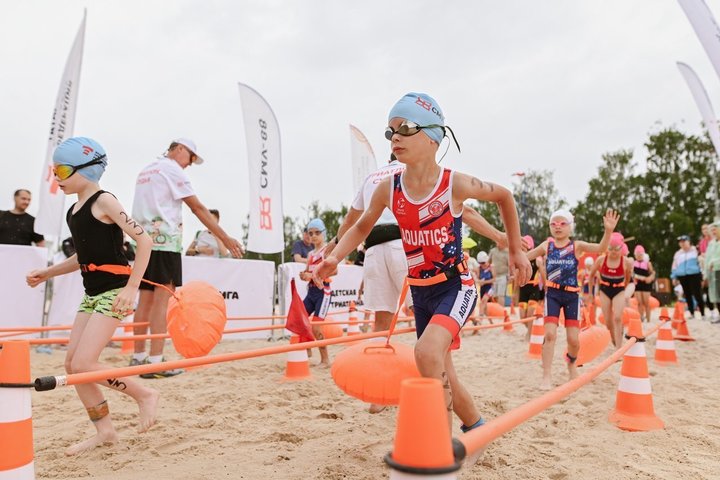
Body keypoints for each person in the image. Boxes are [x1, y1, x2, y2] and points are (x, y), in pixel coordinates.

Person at [314, 92, 531, 433]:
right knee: (442, 369)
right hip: (421, 291)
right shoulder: (388, 188)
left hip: (455, 286)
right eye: (391, 131)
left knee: (426, 354)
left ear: (433, 137)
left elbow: (504, 196)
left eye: (406, 128)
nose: (395, 137)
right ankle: (476, 428)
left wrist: (515, 250)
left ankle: (440, 445)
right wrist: (334, 257)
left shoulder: (454, 183)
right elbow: (361, 226)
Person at [26, 137, 158, 456]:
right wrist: (48, 272)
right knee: (72, 365)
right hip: (92, 293)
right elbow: (82, 257)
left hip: (115, 290)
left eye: (62, 170)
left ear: (86, 169)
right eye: (54, 170)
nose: (56, 177)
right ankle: (105, 431)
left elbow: (145, 242)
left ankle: (144, 394)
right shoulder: (74, 210)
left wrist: (131, 288)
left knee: (85, 363)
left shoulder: (105, 200)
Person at [130, 138, 244, 376]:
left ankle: (138, 357)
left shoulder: (147, 169)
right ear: (179, 149)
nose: (190, 163)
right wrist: (224, 237)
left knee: (145, 299)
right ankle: (156, 361)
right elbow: (197, 208)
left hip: (142, 240)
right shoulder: (171, 169)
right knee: (162, 300)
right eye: (191, 157)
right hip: (165, 241)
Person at [526, 208, 618, 390]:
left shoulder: (577, 246)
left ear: (570, 227)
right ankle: (546, 375)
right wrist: (514, 250)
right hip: (552, 294)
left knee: (574, 340)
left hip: (571, 296)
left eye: (562, 223)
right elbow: (525, 256)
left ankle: (571, 363)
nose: (558, 227)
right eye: (554, 223)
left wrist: (608, 231)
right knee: (550, 335)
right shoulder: (546, 246)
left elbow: (601, 248)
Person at [299, 218, 335, 367]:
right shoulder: (310, 254)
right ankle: (307, 348)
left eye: (317, 232)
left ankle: (325, 359)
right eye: (310, 233)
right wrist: (304, 275)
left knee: (316, 327)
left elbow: (335, 270)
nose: (313, 236)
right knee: (300, 318)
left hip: (323, 292)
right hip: (311, 291)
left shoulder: (327, 251)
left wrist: (315, 275)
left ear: (323, 233)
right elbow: (308, 272)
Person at [587, 232, 634, 348]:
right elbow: (591, 276)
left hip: (619, 290)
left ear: (621, 248)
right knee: (608, 321)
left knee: (617, 317)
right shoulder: (601, 260)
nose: (613, 252)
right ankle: (614, 338)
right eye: (610, 248)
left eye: (616, 249)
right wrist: (590, 293)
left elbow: (628, 278)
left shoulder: (626, 262)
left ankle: (618, 347)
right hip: (605, 290)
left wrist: (623, 288)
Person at [671, 234, 705, 319]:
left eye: (684, 241)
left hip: (694, 274)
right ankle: (691, 312)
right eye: (680, 242)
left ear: (689, 242)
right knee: (687, 294)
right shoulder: (678, 254)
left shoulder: (695, 250)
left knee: (697, 294)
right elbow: (674, 266)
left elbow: (701, 263)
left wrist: (703, 275)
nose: (682, 243)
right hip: (682, 275)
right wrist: (674, 277)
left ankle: (703, 313)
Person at [517, 235, 543, 339]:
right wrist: (514, 293)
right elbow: (517, 277)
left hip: (534, 288)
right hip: (523, 289)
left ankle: (529, 335)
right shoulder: (520, 260)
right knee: (522, 318)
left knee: (530, 315)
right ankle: (533, 331)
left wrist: (545, 289)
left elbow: (543, 275)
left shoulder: (537, 260)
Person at [632, 245, 655, 323]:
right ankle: (641, 317)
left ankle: (648, 319)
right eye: (637, 254)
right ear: (635, 255)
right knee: (639, 302)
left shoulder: (647, 263)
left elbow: (652, 273)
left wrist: (650, 278)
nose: (639, 256)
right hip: (637, 284)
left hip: (646, 285)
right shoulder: (633, 263)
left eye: (640, 254)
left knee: (646, 302)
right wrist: (639, 278)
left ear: (643, 255)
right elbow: (631, 274)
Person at [703, 222, 720, 323]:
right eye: (712, 230)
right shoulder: (711, 244)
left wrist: (715, 262)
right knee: (715, 295)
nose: (713, 232)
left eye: (715, 229)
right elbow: (707, 259)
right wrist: (705, 275)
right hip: (713, 272)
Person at [489, 242, 510, 306]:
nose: (498, 244)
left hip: (503, 275)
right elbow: (488, 261)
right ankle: (495, 309)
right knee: (494, 295)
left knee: (501, 294)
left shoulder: (507, 252)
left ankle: (501, 310)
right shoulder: (492, 251)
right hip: (494, 276)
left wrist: (509, 276)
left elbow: (510, 265)